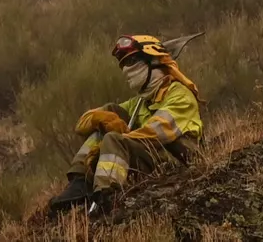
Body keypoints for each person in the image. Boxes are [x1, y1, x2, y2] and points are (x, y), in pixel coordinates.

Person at [49, 34, 204, 214]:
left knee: (113, 139)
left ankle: (106, 195)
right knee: (109, 113)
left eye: (132, 61)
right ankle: (80, 182)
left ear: (154, 61)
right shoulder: (140, 102)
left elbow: (158, 132)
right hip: (153, 156)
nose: (126, 69)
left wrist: (114, 142)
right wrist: (102, 119)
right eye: (123, 64)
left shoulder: (180, 95)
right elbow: (81, 125)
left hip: (177, 160)